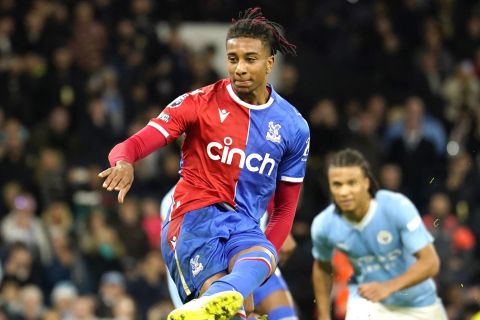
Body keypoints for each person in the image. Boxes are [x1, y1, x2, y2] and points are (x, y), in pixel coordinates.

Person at [98, 7, 309, 320]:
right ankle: (221, 296)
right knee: (230, 312)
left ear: (269, 63)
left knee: (260, 262)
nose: (239, 68)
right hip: (194, 220)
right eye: (232, 58)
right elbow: (135, 143)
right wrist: (124, 162)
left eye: (249, 59)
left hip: (245, 226)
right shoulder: (198, 103)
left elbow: (285, 209)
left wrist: (266, 263)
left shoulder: (294, 126)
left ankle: (223, 295)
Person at [311, 148, 448, 320]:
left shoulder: (396, 206)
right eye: (337, 184)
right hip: (368, 303)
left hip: (419, 304)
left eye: (351, 183)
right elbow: (321, 266)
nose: (344, 192)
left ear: (366, 183)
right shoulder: (324, 223)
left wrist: (388, 287)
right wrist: (323, 315)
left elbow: (431, 262)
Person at [160, 187, 299, 319]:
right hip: (210, 261)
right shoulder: (175, 200)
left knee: (283, 315)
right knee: (233, 309)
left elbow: (276, 177)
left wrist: (278, 231)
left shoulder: (250, 173)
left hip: (249, 256)